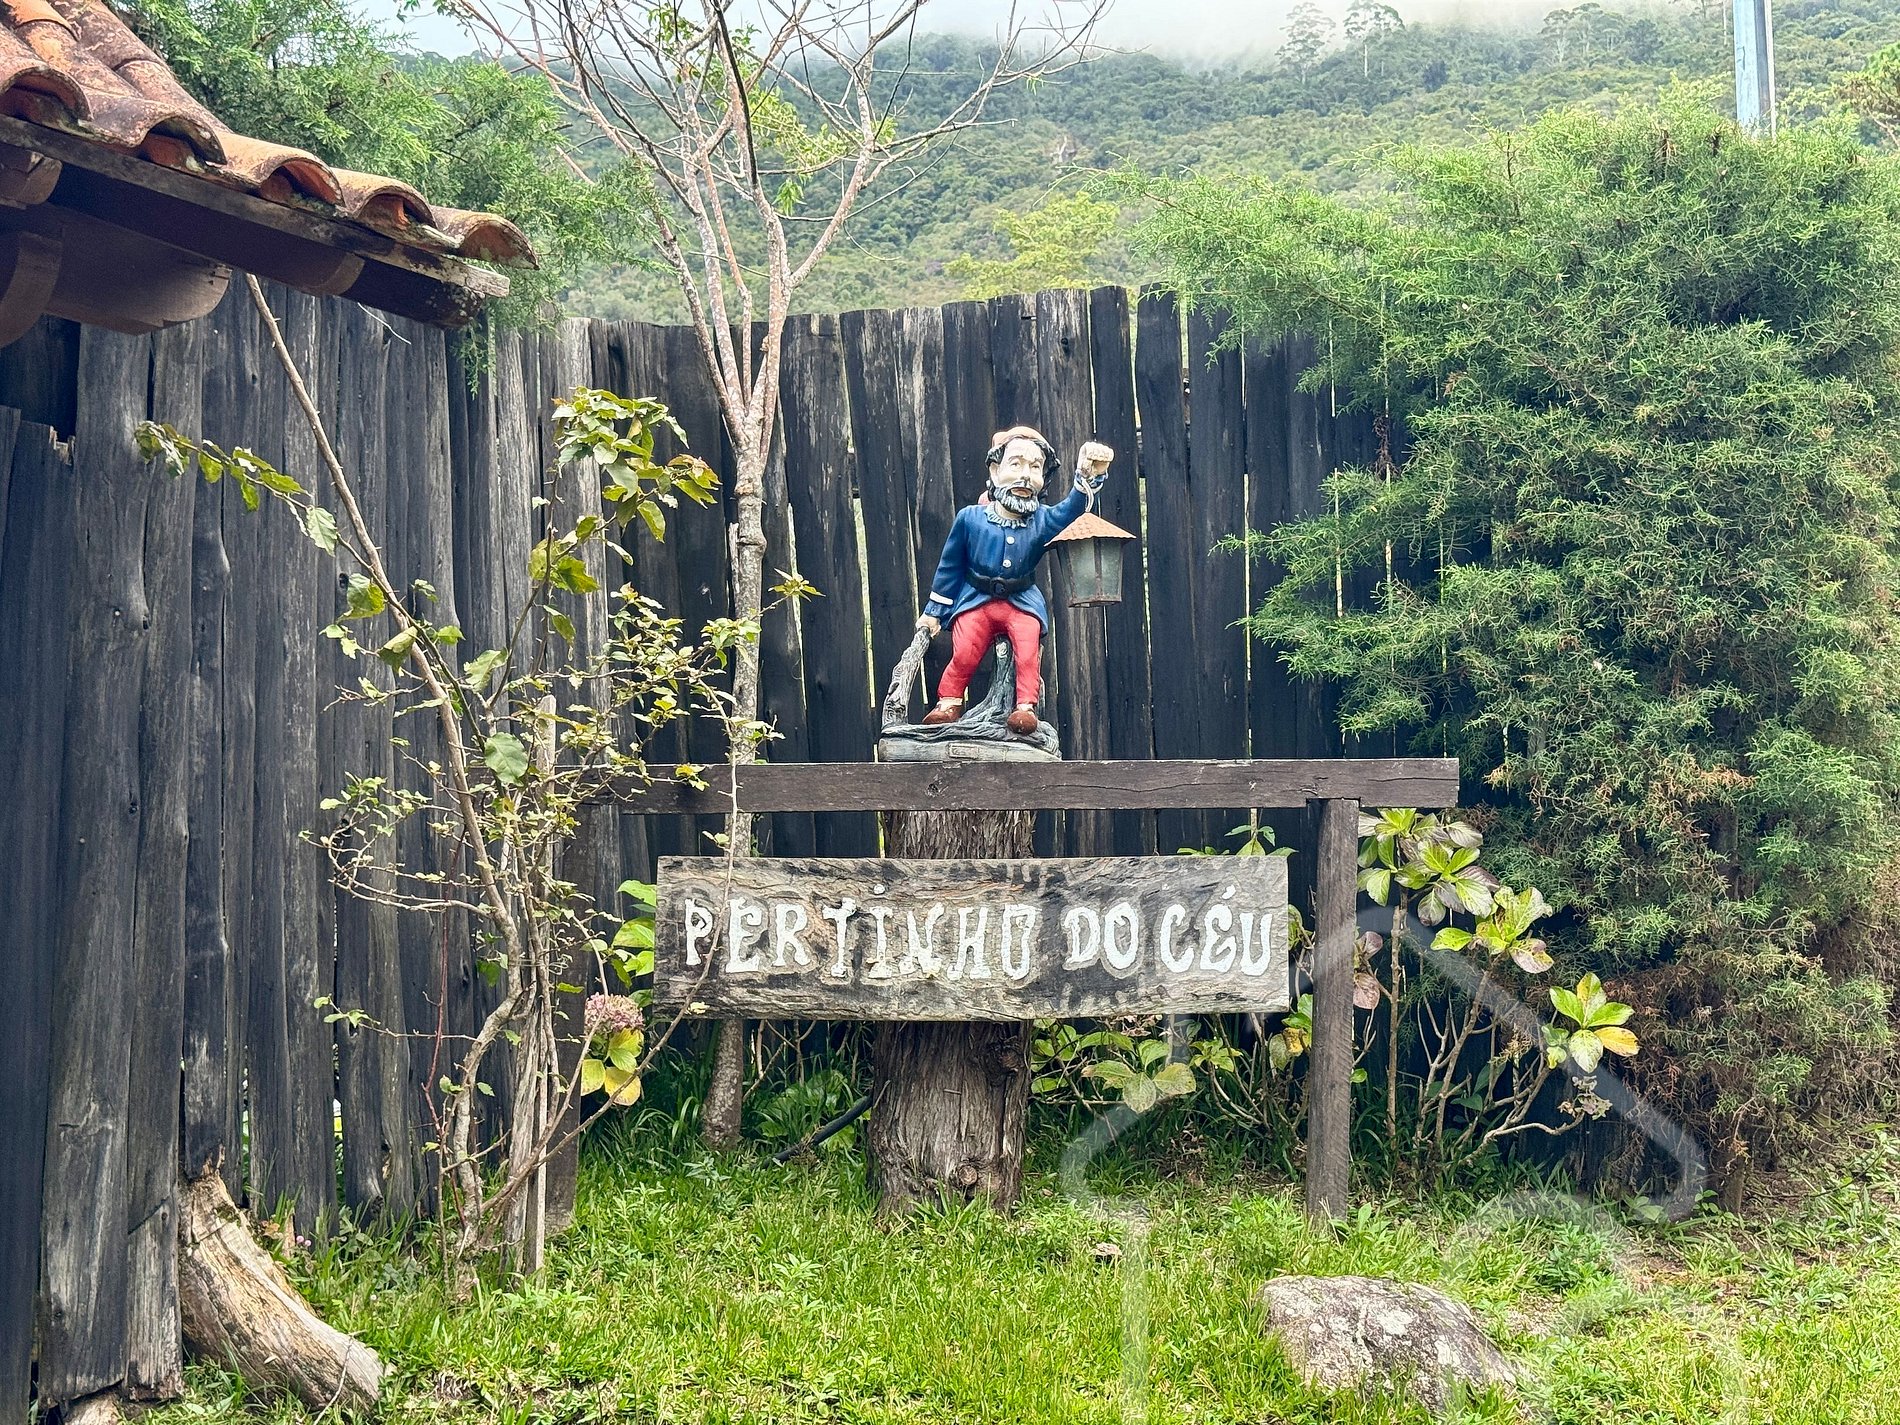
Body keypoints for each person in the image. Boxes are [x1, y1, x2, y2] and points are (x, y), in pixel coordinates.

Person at [917, 425, 1114, 734]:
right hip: (975, 600)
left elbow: (1071, 511)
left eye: (1035, 468)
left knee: (1027, 649)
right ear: (995, 471)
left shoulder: (1042, 520)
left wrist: (1086, 477)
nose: (1025, 476)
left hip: (1021, 602)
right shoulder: (970, 519)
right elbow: (949, 567)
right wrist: (934, 612)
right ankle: (949, 701)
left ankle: (1025, 707)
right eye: (1016, 464)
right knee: (965, 650)